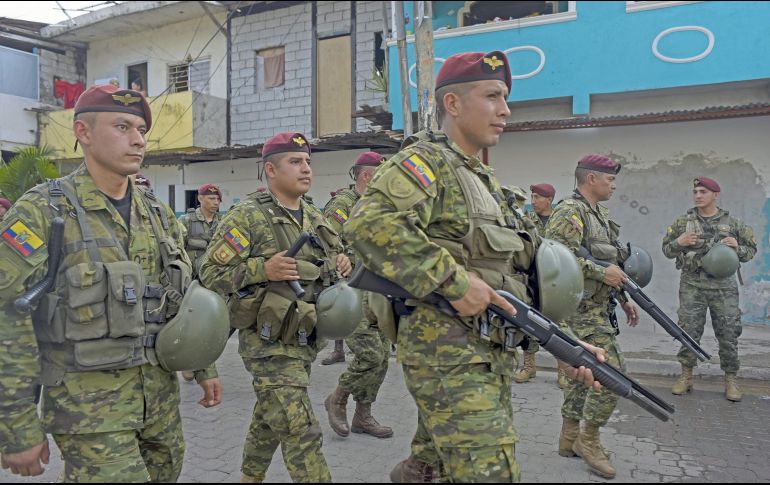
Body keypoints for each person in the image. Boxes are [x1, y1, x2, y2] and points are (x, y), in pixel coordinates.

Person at [344, 51, 605, 483]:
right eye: (493, 96)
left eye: (505, 98)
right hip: (446, 350)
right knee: (492, 471)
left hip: (488, 349)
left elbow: (517, 278)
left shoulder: (488, 184)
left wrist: (568, 343)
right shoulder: (426, 162)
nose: (505, 109)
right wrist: (453, 280)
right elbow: (368, 225)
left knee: (443, 467)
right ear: (453, 104)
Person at [0, 84, 222, 482]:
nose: (137, 139)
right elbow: (7, 321)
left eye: (141, 129)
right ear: (83, 132)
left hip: (159, 404)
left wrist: (203, 365)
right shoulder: (42, 212)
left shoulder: (155, 212)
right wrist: (16, 428)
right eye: (122, 126)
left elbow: (181, 296)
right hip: (89, 412)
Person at [199, 132, 352, 483]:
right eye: (295, 162)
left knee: (270, 418)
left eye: (308, 162)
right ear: (270, 169)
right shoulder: (248, 217)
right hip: (266, 345)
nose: (306, 169)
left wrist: (341, 261)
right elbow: (209, 273)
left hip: (304, 339)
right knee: (302, 430)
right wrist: (261, 269)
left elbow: (330, 263)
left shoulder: (315, 217)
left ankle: (249, 478)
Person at [544, 154, 640, 479]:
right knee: (614, 378)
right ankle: (589, 441)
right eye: (610, 179)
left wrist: (623, 298)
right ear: (591, 179)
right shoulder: (569, 212)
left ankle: (569, 438)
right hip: (579, 312)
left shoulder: (598, 215)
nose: (613, 184)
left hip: (600, 309)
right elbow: (555, 257)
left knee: (584, 378)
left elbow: (612, 265)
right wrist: (601, 272)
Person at [662, 176, 756, 401]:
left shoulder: (732, 223)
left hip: (724, 287)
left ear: (715, 194)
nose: (697, 196)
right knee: (688, 330)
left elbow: (751, 249)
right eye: (695, 192)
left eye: (703, 192)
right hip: (692, 284)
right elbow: (667, 249)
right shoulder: (682, 223)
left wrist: (737, 247)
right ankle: (686, 375)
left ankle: (731, 379)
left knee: (728, 332)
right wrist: (679, 242)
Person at [323, 151, 393, 440]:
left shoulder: (382, 206)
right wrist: (340, 259)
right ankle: (337, 398)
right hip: (353, 294)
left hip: (381, 292)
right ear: (367, 175)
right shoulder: (343, 204)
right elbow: (324, 244)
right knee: (370, 355)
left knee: (383, 358)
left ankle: (363, 416)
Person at [513, 183, 568, 387]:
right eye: (532, 197)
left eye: (537, 197)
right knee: (529, 322)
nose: (533, 201)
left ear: (549, 199)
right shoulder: (527, 221)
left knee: (558, 326)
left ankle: (563, 370)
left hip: (555, 282)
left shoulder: (561, 220)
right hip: (533, 279)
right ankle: (529, 366)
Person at [177, 183, 223, 382]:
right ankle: (190, 363)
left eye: (218, 199)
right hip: (193, 284)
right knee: (191, 324)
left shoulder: (224, 222)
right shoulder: (186, 221)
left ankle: (202, 363)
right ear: (200, 199)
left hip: (216, 282)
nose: (215, 202)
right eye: (211, 198)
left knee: (212, 326)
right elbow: (177, 249)